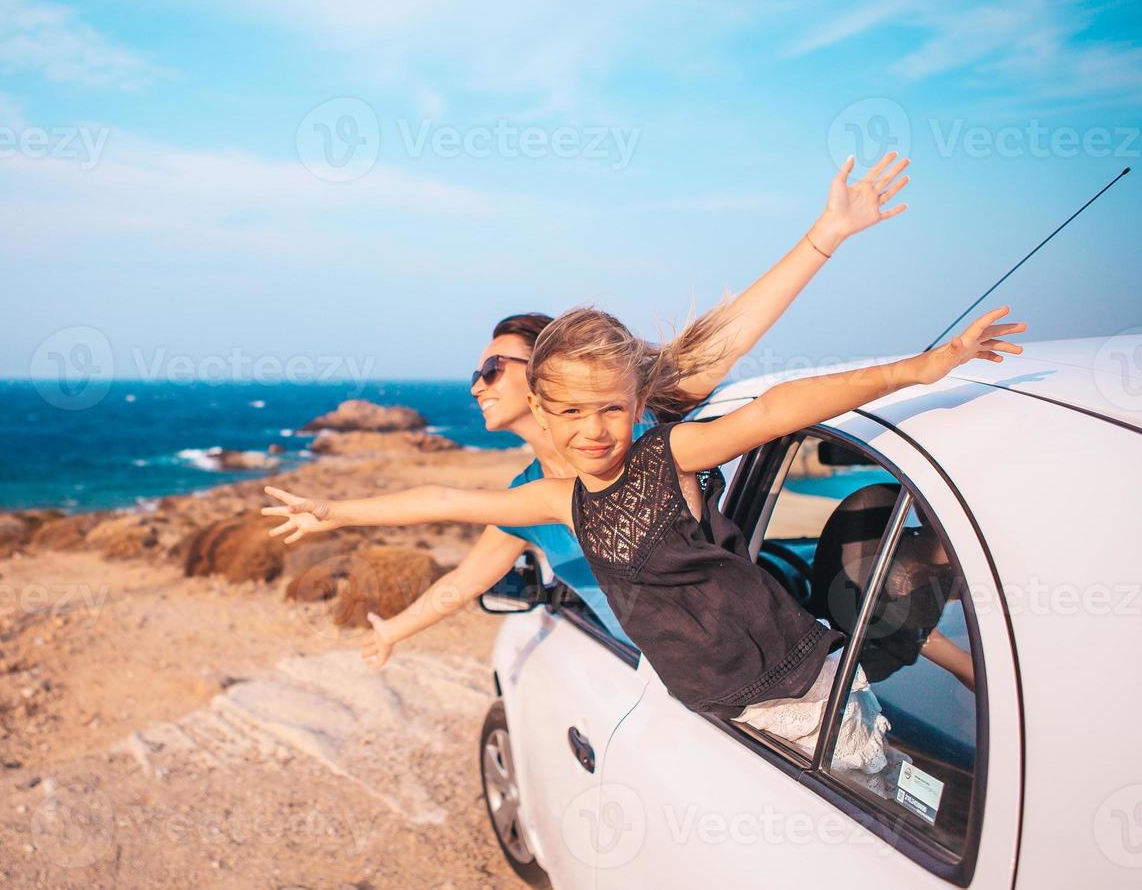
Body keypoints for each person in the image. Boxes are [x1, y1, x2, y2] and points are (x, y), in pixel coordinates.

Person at [261, 301, 1025, 792]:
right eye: (570, 412)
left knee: (877, 832)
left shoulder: (667, 457)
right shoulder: (556, 498)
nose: (593, 429)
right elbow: (447, 499)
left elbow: (772, 410)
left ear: (634, 406)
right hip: (728, 714)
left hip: (802, 698)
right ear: (544, 410)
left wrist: (922, 368)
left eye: (611, 410)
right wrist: (334, 511)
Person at [337, 151, 914, 660]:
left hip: (768, 628)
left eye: (491, 369)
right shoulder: (530, 498)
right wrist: (392, 631)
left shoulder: (641, 426)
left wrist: (828, 233)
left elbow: (729, 335)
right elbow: (463, 582)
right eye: (475, 373)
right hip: (687, 679)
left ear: (544, 378)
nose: (477, 384)